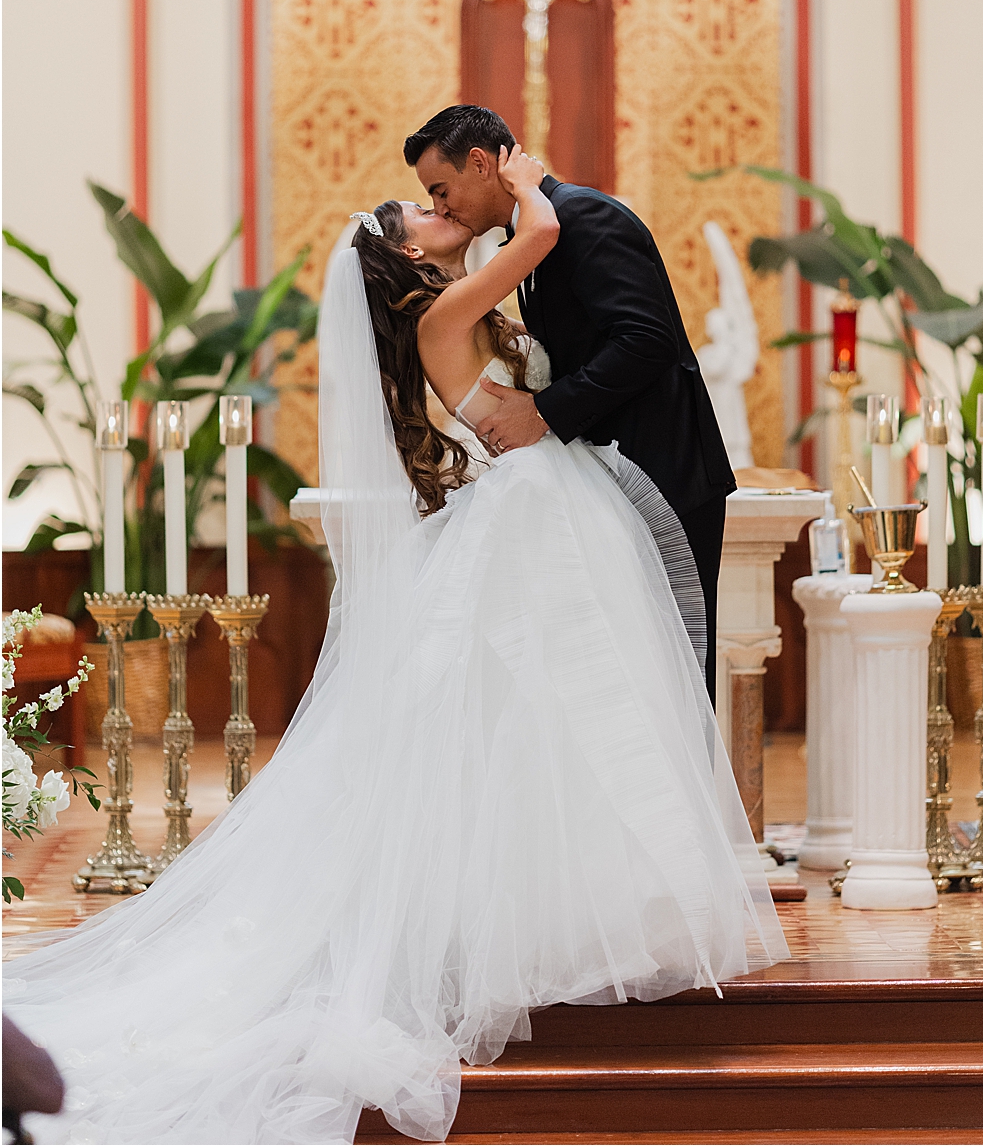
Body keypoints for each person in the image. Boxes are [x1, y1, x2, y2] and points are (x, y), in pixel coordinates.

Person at [2, 147, 785, 1144]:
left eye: (434, 196)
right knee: (552, 716)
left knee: (545, 723)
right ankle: (537, 930)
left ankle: (569, 919)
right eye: (418, 214)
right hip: (528, 519)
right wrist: (527, 177)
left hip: (534, 512)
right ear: (399, 261)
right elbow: (539, 232)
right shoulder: (438, 314)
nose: (435, 212)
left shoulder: (454, 307)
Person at [405, 105, 737, 705]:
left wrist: (543, 413)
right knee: (627, 676)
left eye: (440, 189)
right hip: (603, 482)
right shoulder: (530, 237)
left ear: (479, 163)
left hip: (663, 470)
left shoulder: (586, 218)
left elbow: (647, 340)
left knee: (676, 671)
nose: (442, 206)